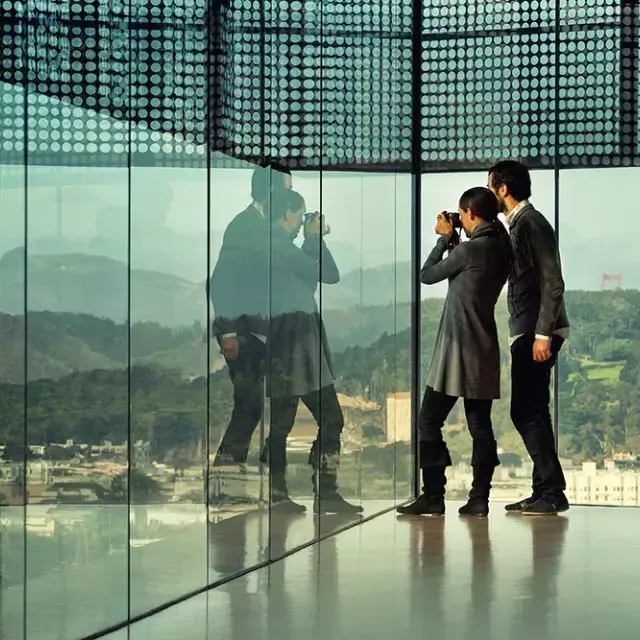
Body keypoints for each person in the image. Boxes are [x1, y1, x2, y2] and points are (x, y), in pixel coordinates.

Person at [397, 187, 513, 518]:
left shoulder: (469, 251)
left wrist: (443, 240)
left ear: (470, 215)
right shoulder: (499, 247)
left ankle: (433, 495)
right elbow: (471, 271)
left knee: (428, 420)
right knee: (480, 425)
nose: (458, 219)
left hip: (457, 349)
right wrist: (457, 240)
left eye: (461, 215)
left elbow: (427, 276)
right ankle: (479, 499)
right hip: (484, 348)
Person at [260, 188, 362, 514]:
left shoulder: (277, 248)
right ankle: (322, 491)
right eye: (301, 215)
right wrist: (315, 239)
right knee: (328, 418)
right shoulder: (279, 249)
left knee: (283, 424)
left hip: (289, 344)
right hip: (296, 346)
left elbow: (312, 275)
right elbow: (329, 275)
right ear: (288, 214)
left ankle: (281, 493)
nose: (303, 221)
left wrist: (312, 240)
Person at [488, 160, 570, 516]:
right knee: (535, 410)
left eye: (491, 187)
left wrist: (542, 335)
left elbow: (553, 281)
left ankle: (552, 490)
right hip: (530, 328)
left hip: (536, 330)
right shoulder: (518, 224)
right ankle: (543, 492)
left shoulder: (531, 223)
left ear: (502, 189)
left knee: (523, 411)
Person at [209, 163, 293, 506]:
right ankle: (226, 487)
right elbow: (223, 280)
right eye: (285, 189)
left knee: (257, 407)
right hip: (244, 333)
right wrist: (228, 330)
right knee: (248, 407)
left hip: (259, 331)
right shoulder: (244, 227)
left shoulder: (262, 226)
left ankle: (238, 486)